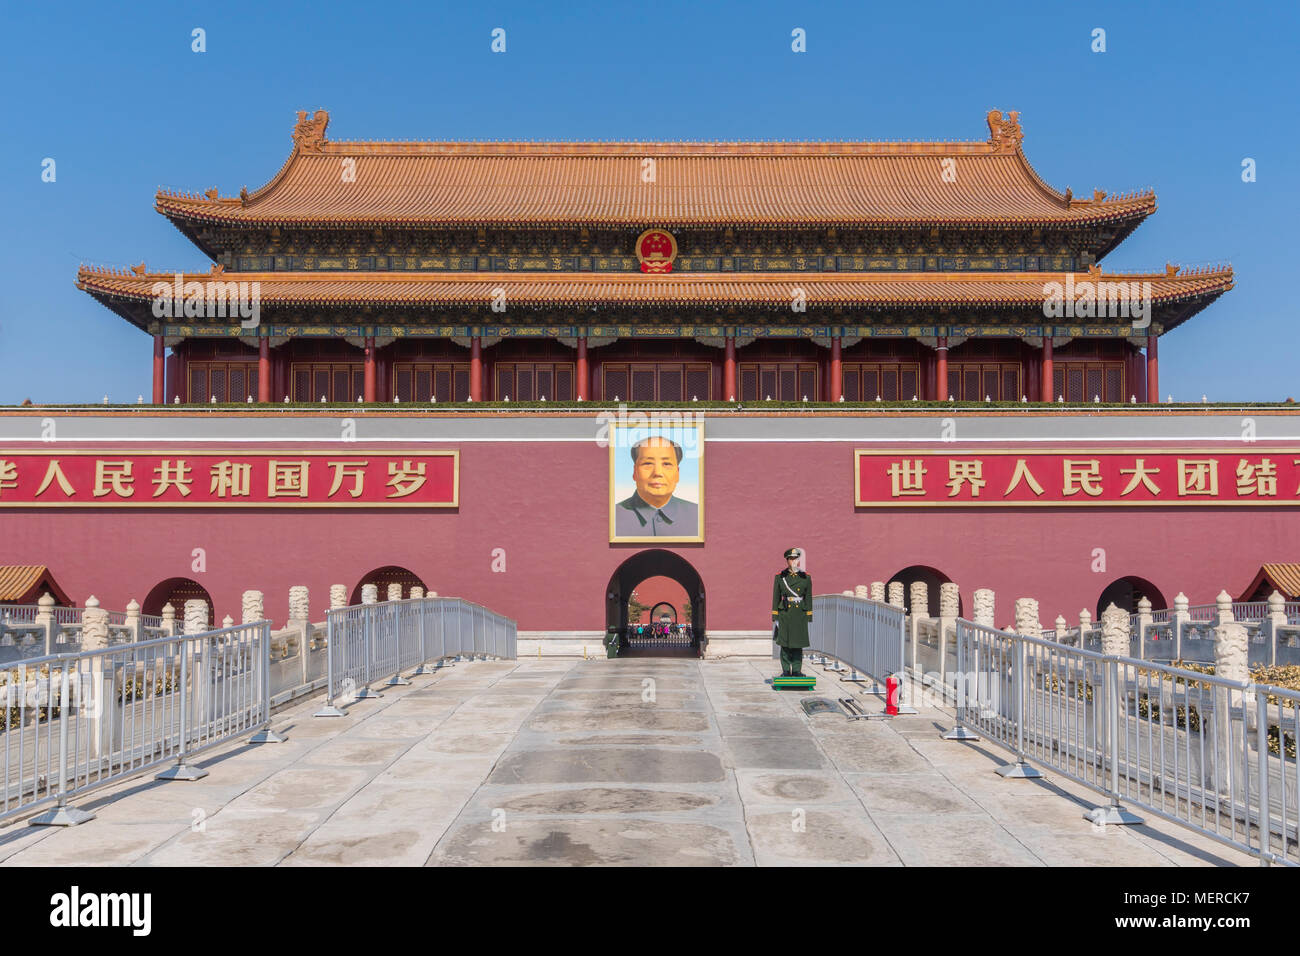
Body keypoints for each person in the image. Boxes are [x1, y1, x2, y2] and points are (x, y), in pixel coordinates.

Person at [614, 435, 699, 537]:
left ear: (677, 473)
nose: (657, 473)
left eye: (666, 464)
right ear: (635, 472)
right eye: (648, 463)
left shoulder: (699, 515)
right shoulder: (612, 517)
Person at [772, 547, 812, 677]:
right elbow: (776, 597)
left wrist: (809, 615)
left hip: (799, 614)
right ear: (787, 561)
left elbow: (808, 597)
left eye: (796, 559)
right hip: (785, 613)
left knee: (798, 643)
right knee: (785, 643)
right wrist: (775, 615)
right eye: (791, 559)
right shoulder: (780, 577)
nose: (794, 561)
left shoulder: (805, 577)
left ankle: (796, 670)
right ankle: (785, 670)